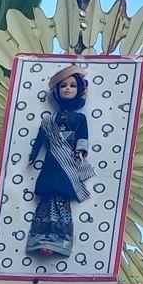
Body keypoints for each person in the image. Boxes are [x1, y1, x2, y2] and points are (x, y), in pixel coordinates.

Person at [26, 64, 90, 260]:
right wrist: (33, 155)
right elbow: (40, 139)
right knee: (46, 199)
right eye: (63, 86)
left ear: (79, 90)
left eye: (72, 85)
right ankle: (40, 240)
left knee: (61, 201)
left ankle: (59, 242)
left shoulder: (80, 118)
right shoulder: (50, 119)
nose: (67, 89)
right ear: (58, 91)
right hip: (51, 163)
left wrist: (81, 151)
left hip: (67, 164)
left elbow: (83, 136)